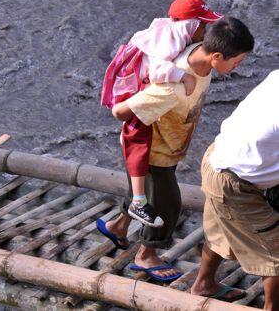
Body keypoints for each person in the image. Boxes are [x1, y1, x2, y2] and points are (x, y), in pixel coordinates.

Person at [96, 16, 254, 282]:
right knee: (168, 204)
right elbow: (120, 112)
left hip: (171, 144)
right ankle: (146, 255)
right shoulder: (171, 88)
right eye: (237, 61)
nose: (240, 65)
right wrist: (139, 104)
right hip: (153, 153)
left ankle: (118, 227)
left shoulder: (199, 51)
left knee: (149, 193)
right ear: (216, 56)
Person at [101, 0, 222, 227]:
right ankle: (138, 203)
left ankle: (118, 227)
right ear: (191, 24)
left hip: (140, 90)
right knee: (138, 141)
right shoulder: (173, 37)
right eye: (203, 25)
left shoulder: (173, 32)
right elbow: (158, 70)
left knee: (147, 173)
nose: (206, 31)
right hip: (135, 92)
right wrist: (183, 76)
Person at [190, 70, 278, 306]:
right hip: (234, 182)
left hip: (218, 157)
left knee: (221, 230)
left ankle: (204, 284)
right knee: (276, 251)